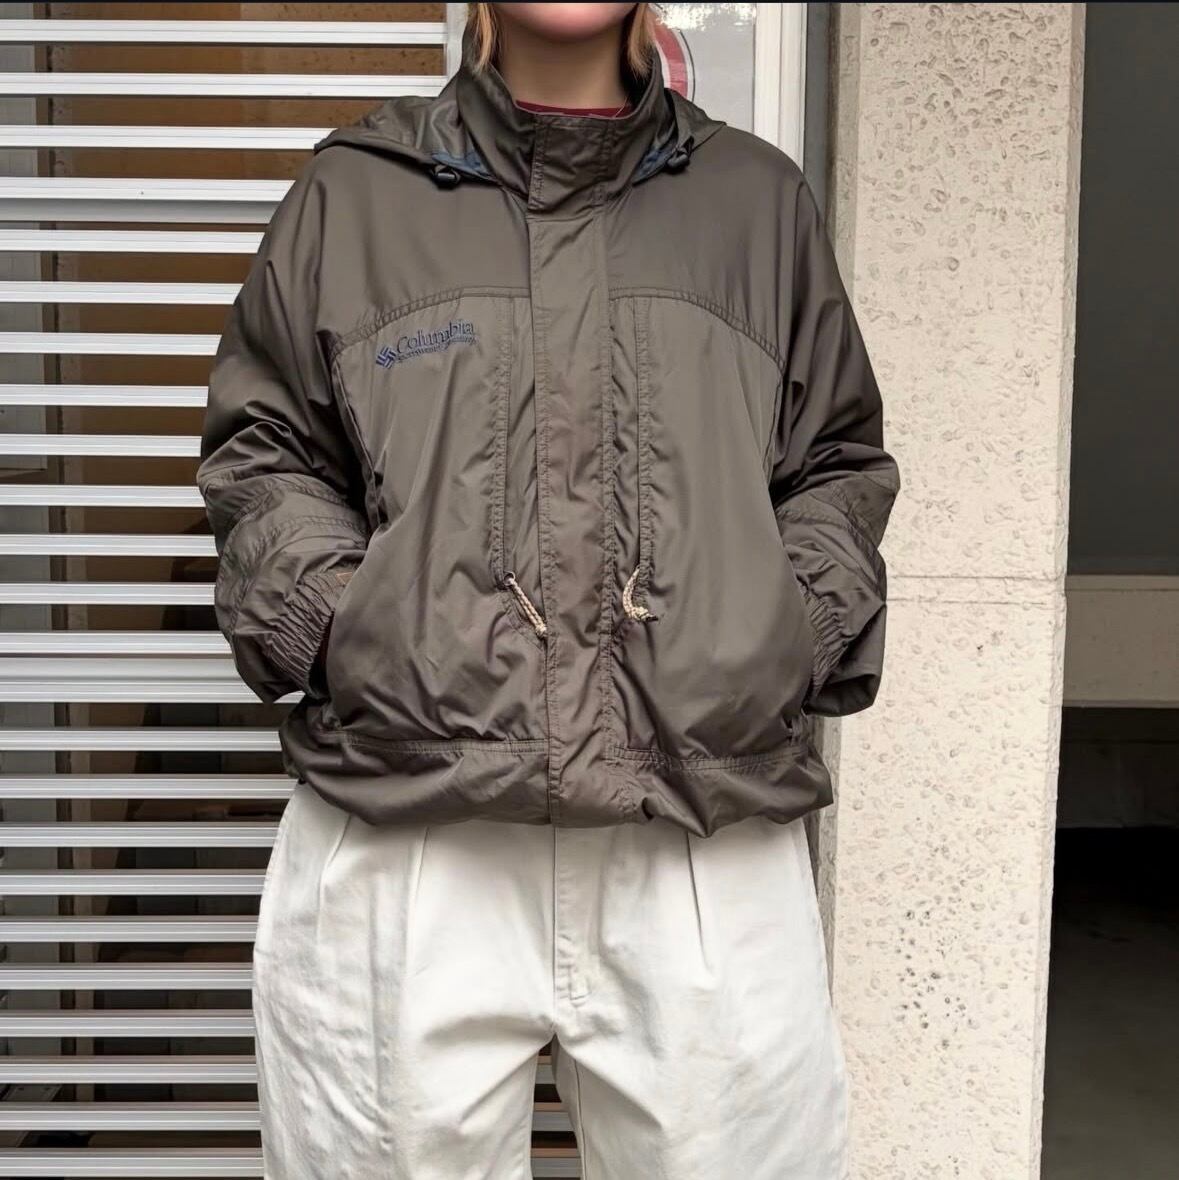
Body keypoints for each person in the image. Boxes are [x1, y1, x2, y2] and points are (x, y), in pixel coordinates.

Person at [197, 3, 899, 1176]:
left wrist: (779, 634)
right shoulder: (355, 195)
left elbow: (833, 463)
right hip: (411, 823)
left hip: (701, 825)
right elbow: (266, 457)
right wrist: (350, 631)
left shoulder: (755, 204)